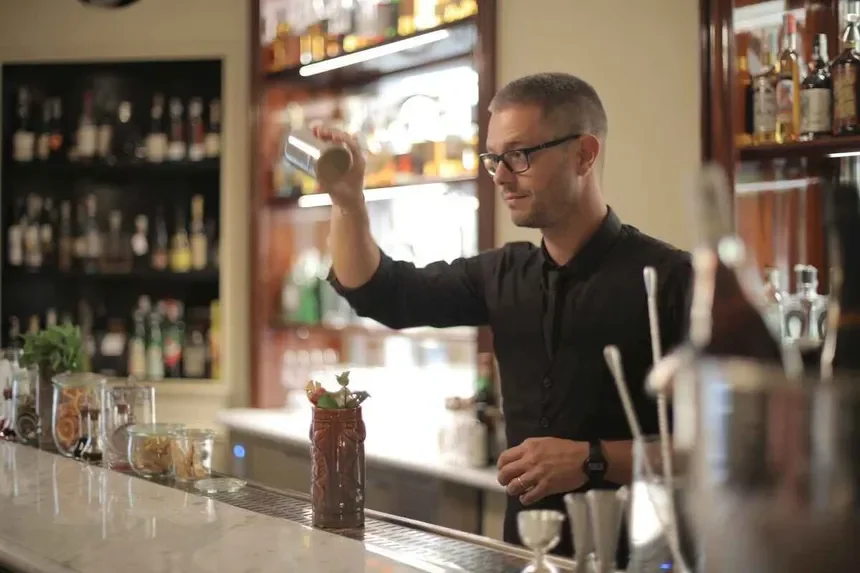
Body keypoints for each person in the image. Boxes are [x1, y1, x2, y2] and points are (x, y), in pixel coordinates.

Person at [313, 72, 692, 563]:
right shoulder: (502, 273)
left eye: (519, 155)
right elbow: (380, 292)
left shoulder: (671, 278)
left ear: (584, 153)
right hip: (524, 557)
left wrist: (589, 459)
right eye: (494, 158)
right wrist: (348, 202)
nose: (500, 176)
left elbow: (718, 454)